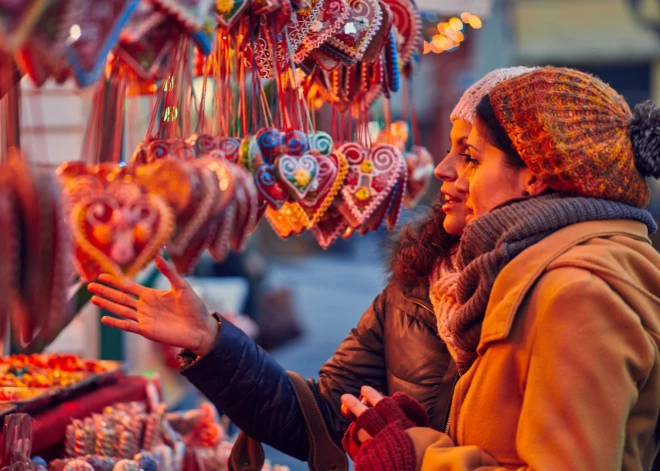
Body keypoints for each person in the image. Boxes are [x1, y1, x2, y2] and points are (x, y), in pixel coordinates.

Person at [86, 67, 535, 461]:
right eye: (453, 149)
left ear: (535, 173)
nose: (443, 168)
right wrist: (211, 341)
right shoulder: (419, 283)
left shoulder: (565, 290)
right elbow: (319, 418)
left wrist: (410, 454)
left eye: (470, 155)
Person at [341, 66, 660, 470]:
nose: (455, 176)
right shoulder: (541, 271)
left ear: (535, 176)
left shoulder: (577, 292)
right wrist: (417, 438)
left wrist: (418, 456)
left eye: (473, 158)